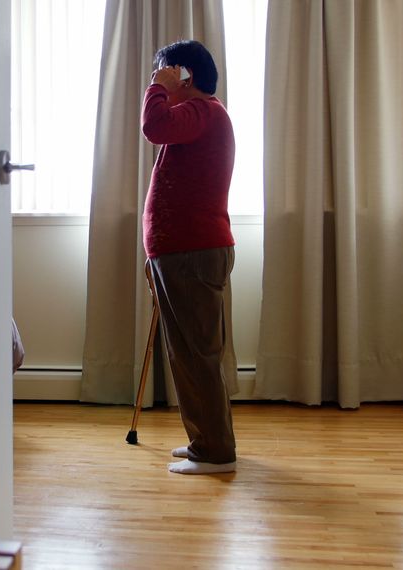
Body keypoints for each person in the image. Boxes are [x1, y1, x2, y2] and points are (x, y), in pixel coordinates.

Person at [142, 40, 237, 475]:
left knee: (197, 355)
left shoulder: (205, 112)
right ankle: (204, 440)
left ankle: (215, 451)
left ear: (186, 76)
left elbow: (153, 126)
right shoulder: (198, 118)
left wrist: (155, 88)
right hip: (180, 253)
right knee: (187, 355)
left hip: (192, 254)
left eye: (166, 72)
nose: (159, 79)